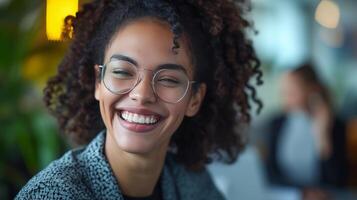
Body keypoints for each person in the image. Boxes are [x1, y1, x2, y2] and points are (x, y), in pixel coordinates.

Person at [16, 0, 262, 199]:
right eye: (122, 72)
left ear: (194, 99)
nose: (142, 95)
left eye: (168, 79)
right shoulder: (54, 194)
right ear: (98, 82)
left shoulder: (191, 184)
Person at [264, 63, 347, 190]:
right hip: (287, 195)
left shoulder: (334, 124)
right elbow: (270, 174)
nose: (286, 98)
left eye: (292, 91)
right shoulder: (277, 123)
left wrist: (322, 135)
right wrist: (302, 192)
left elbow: (336, 181)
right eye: (284, 92)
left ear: (311, 90)